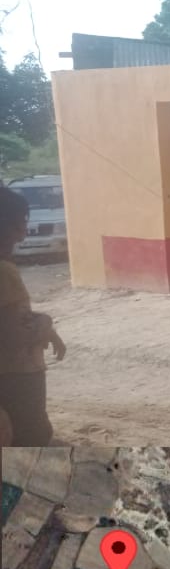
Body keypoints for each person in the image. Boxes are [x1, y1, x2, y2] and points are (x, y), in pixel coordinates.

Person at [0, 185, 65, 446]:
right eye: (20, 224)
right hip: (17, 376)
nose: (23, 233)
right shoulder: (4, 272)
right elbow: (13, 337)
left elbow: (8, 316)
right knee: (31, 436)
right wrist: (45, 323)